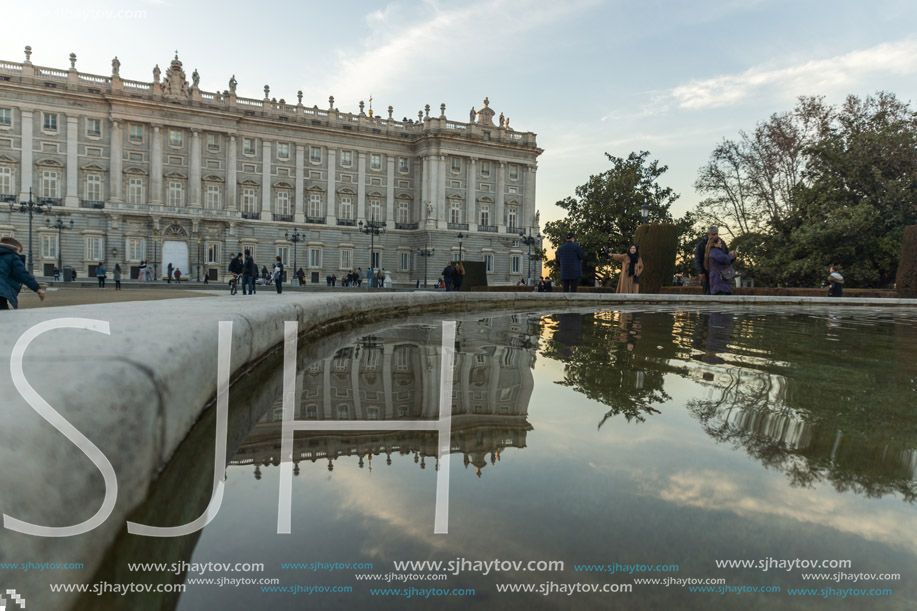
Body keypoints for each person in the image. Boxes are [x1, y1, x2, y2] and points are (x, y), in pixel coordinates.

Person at [0, 237, 46, 310]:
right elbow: (22, 274)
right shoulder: (12, 256)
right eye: (20, 251)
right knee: (5, 317)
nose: (20, 254)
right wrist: (37, 288)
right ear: (16, 249)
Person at [695, 226, 729, 295]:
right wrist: (701, 272)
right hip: (707, 274)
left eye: (716, 234)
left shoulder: (722, 243)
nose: (715, 236)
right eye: (713, 234)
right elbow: (698, 259)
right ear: (708, 235)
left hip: (720, 274)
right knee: (708, 293)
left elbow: (726, 256)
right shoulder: (702, 244)